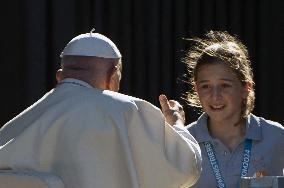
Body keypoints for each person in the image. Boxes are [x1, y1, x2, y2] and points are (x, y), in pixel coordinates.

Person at [0, 30, 202, 188]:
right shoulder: (128, 111)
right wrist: (176, 123)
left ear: (60, 76)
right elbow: (187, 167)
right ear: (113, 75)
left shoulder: (16, 126)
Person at [160, 31, 284, 188]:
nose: (215, 95)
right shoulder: (186, 142)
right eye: (206, 87)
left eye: (225, 85)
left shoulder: (276, 136)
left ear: (246, 88)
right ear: (196, 89)